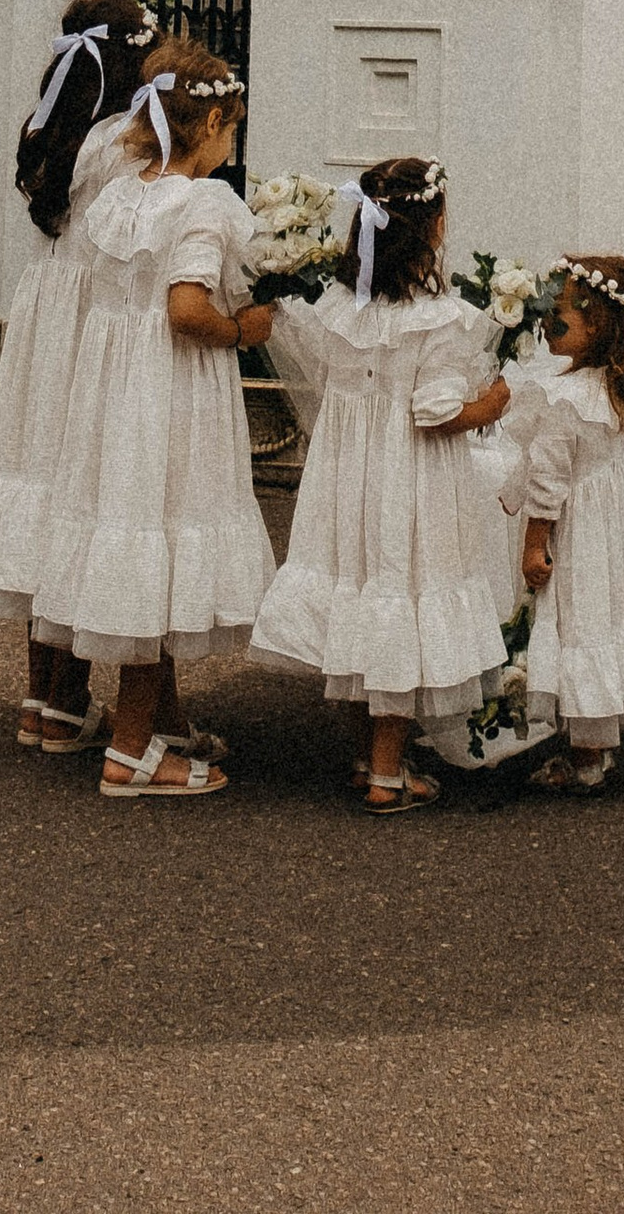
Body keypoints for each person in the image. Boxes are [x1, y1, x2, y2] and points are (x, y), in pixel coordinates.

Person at [16, 35, 279, 799]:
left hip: (109, 394)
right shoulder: (203, 203)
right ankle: (131, 751)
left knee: (133, 539)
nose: (232, 142)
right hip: (170, 393)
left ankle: (153, 722)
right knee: (156, 545)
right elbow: (187, 308)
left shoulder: (117, 194)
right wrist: (242, 329)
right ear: (205, 127)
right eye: (231, 127)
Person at [254, 155, 517, 812]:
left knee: (357, 591)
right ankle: (387, 771)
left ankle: (363, 752)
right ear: (433, 225)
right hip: (409, 482)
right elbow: (435, 413)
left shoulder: (339, 306)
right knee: (397, 594)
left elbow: (316, 366)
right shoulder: (437, 315)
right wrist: (489, 406)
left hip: (346, 477)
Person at [0, 0, 152, 755]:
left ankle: (45, 695)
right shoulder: (127, 139)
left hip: (45, 308)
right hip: (91, 317)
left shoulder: (48, 127)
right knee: (83, 489)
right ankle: (71, 699)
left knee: (42, 485)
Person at [510, 254, 624, 798]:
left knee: (576, 623)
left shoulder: (566, 399)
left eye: (558, 315)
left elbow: (547, 483)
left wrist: (534, 546)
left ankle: (585, 759)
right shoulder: (611, 390)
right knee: (599, 621)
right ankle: (596, 747)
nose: (546, 320)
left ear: (594, 325)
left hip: (575, 531)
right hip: (607, 531)